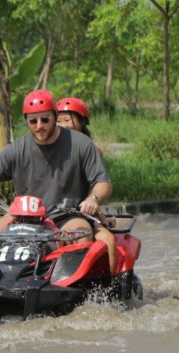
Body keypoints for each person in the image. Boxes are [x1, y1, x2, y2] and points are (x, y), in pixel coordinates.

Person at [0, 90, 112, 245]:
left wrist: (93, 199)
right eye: (33, 121)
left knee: (80, 236)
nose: (39, 126)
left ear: (55, 116)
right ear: (27, 121)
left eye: (45, 119)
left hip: (67, 217)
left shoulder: (82, 144)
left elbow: (102, 182)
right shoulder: (17, 149)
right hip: (22, 218)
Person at [56, 97, 118, 273]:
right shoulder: (51, 148)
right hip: (52, 211)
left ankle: (108, 289)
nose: (63, 125)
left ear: (82, 122)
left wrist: (99, 214)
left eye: (67, 120)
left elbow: (94, 187)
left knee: (108, 241)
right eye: (58, 120)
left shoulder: (90, 150)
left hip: (80, 212)